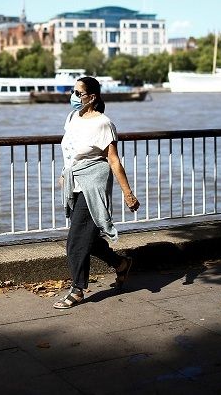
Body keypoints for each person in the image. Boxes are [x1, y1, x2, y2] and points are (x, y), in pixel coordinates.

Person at [54, 76, 140, 310]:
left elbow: (113, 160)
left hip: (94, 184)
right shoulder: (72, 117)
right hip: (75, 181)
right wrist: (65, 173)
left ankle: (78, 289)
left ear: (92, 97)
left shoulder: (103, 123)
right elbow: (70, 150)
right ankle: (121, 263)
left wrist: (128, 194)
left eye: (78, 93)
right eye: (72, 92)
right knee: (88, 240)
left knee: (75, 240)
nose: (73, 97)